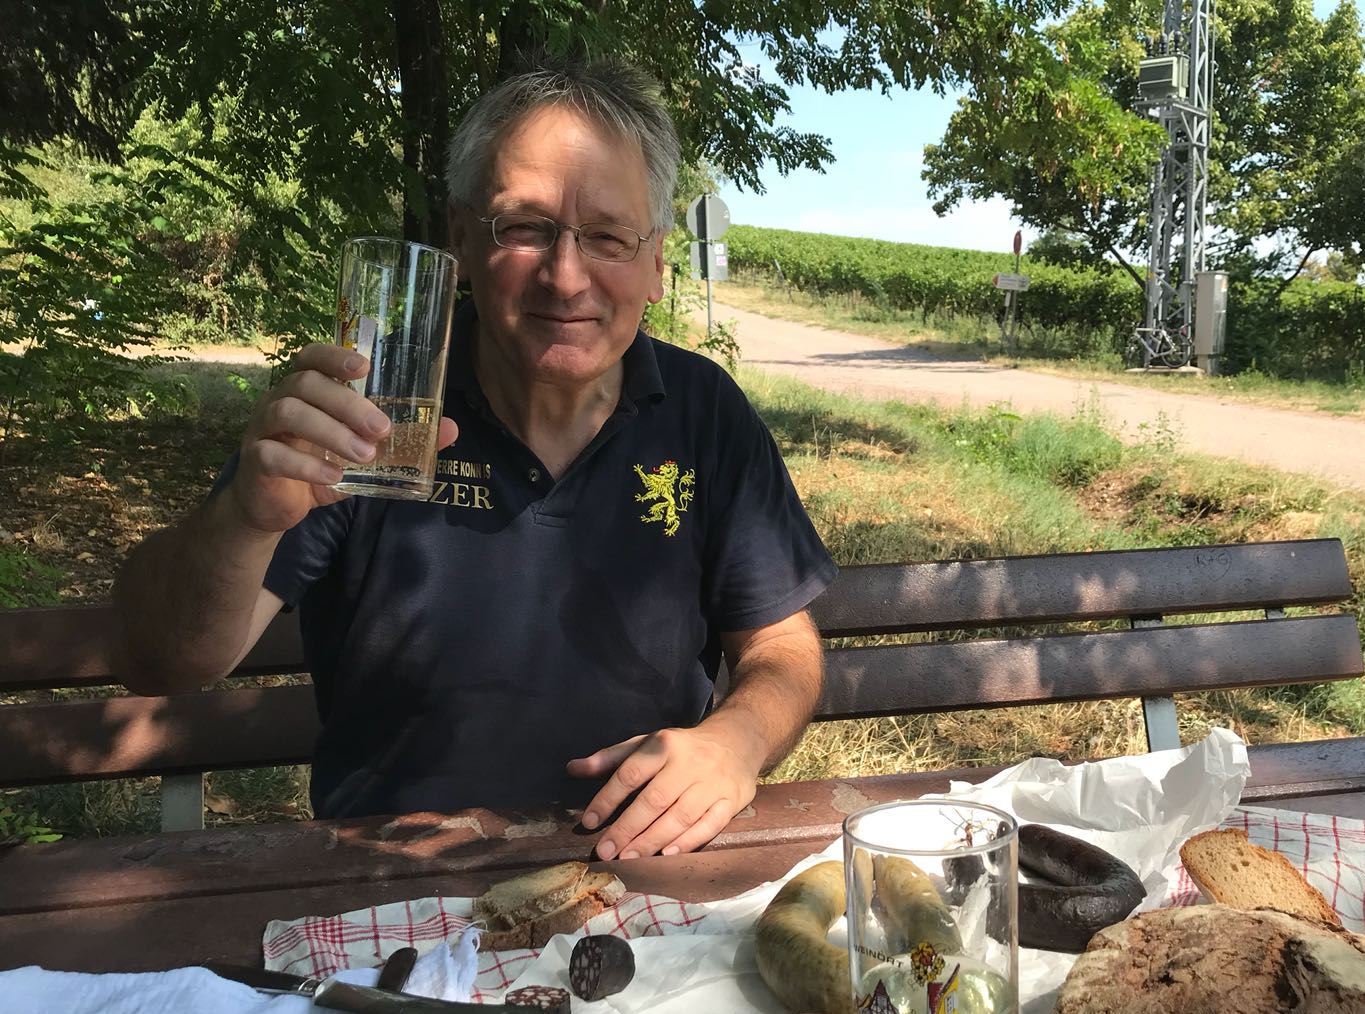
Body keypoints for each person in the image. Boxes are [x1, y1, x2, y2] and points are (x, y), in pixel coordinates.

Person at [110, 58, 837, 860]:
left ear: (657, 262)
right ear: (459, 235)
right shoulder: (371, 410)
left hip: (641, 864)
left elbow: (782, 649)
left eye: (607, 237)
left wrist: (736, 740)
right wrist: (244, 521)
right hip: (395, 879)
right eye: (524, 228)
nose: (565, 277)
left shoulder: (705, 413)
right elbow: (159, 663)